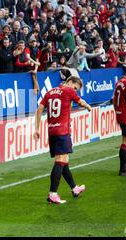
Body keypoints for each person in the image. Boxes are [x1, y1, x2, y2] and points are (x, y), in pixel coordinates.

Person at [34, 76, 91, 204]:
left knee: (64, 161)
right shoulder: (68, 91)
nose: (75, 91)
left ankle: (74, 188)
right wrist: (88, 106)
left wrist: (36, 129)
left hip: (52, 131)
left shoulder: (50, 92)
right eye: (75, 87)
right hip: (62, 131)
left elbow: (39, 109)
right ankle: (52, 194)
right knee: (60, 161)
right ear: (69, 82)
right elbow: (81, 102)